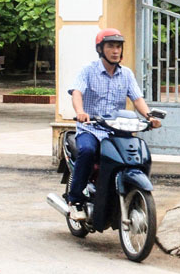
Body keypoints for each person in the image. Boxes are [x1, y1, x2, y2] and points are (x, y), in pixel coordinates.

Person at [67, 28, 162, 220]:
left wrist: (149, 116)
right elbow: (77, 92)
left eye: (118, 46)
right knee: (86, 151)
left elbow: (137, 99)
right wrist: (80, 112)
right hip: (91, 127)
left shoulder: (126, 74)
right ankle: (75, 200)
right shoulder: (88, 70)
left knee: (136, 156)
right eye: (110, 46)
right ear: (100, 49)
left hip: (116, 130)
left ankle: (129, 193)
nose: (115, 51)